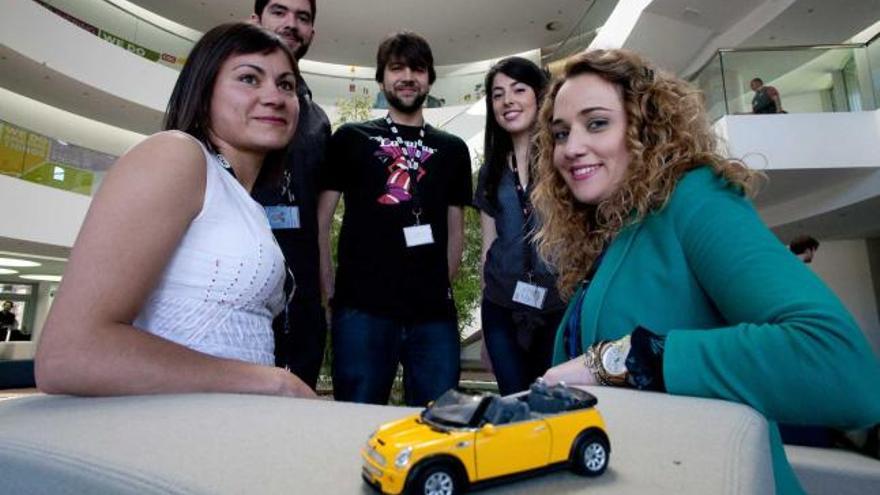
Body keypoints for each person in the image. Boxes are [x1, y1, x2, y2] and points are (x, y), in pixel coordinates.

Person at [531, 49, 880, 495]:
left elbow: (840, 363)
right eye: (560, 133)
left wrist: (625, 360)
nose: (571, 147)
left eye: (596, 123)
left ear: (645, 126)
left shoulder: (695, 197)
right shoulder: (611, 233)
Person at [35, 23, 315, 398]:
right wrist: (275, 383)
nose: (275, 96)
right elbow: (70, 355)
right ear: (203, 91)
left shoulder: (245, 200)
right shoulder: (177, 155)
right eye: (249, 78)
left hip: (223, 433)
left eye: (286, 85)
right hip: (161, 433)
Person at [317, 32, 472, 406]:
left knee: (440, 422)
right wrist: (330, 295)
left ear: (430, 79)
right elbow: (321, 223)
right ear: (382, 79)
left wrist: (437, 285)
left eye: (417, 69)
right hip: (361, 311)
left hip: (433, 316)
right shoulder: (350, 138)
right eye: (396, 68)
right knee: (356, 416)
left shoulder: (453, 149)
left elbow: (455, 230)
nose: (407, 77)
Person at [250, 0, 331, 390]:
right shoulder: (225, 99)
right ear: (256, 20)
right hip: (241, 281)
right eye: (279, 12)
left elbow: (318, 210)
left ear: (312, 32)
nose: (291, 24)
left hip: (301, 290)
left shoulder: (316, 119)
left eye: (303, 17)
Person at [474, 57, 565, 395]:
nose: (507, 100)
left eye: (518, 89)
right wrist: (485, 332)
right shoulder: (491, 171)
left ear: (540, 95)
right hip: (501, 307)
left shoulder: (565, 159)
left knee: (552, 404)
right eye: (497, 95)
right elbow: (488, 246)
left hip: (558, 305)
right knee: (514, 403)